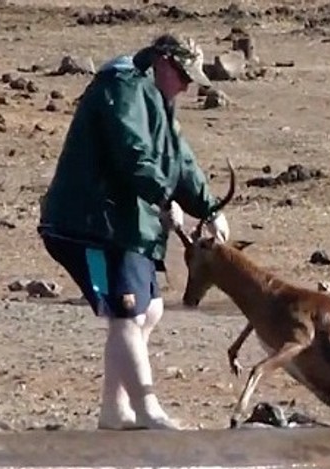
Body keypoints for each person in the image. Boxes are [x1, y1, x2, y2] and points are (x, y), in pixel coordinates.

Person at [37, 33, 230, 431]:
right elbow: (132, 151)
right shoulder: (122, 87)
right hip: (93, 222)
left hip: (129, 225)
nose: (187, 85)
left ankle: (115, 410)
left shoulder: (159, 99)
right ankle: (147, 409)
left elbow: (180, 160)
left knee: (150, 311)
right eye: (182, 74)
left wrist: (209, 208)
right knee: (126, 313)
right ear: (162, 61)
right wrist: (162, 197)